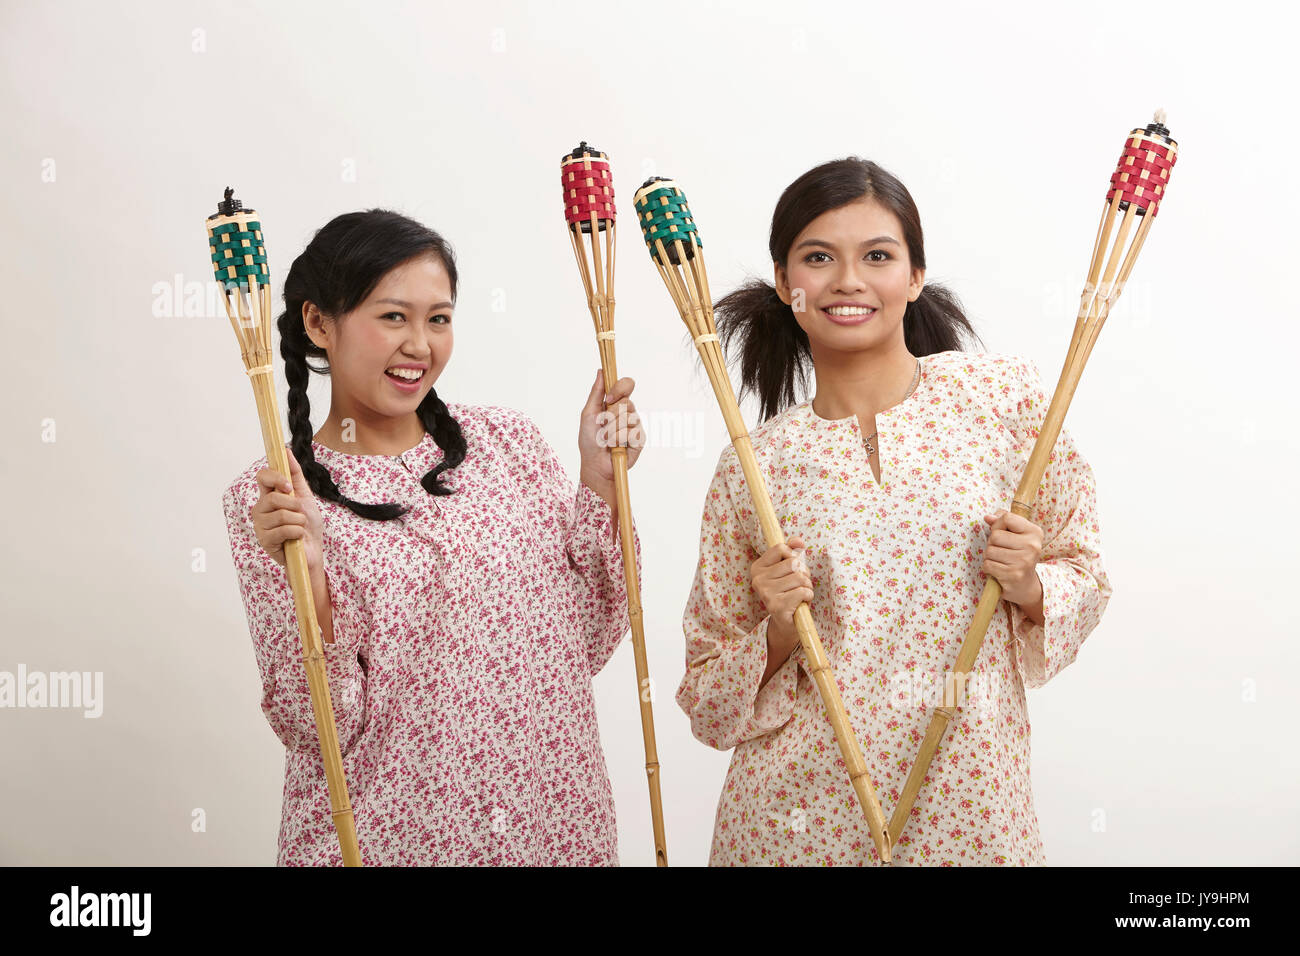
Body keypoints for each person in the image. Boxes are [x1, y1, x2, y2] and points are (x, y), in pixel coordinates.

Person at [675, 157, 1112, 866]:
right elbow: (705, 694)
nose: (848, 280)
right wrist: (779, 632)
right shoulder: (753, 466)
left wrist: (1030, 582)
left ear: (913, 277)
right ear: (787, 284)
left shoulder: (1007, 404)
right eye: (818, 258)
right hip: (791, 825)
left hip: (969, 811)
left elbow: (1087, 577)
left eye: (877, 255)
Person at [220, 209, 645, 865]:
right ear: (317, 323)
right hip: (386, 843)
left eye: (437, 318)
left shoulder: (508, 444)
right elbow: (316, 727)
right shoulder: (277, 495)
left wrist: (599, 477)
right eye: (393, 316)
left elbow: (586, 639)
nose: (420, 344)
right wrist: (310, 573)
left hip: (548, 831)